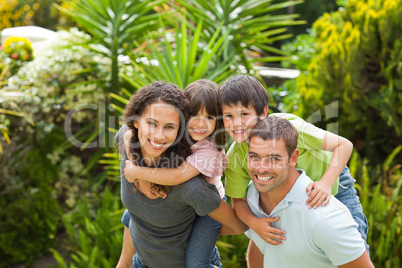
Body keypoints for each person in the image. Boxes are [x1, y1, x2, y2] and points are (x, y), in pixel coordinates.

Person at [218, 75, 369, 261]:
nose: (236, 123)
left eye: (244, 114)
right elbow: (238, 202)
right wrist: (254, 223)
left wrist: (326, 183)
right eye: (228, 116)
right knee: (271, 241)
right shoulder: (235, 156)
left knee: (354, 244)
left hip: (334, 181)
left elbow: (344, 145)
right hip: (289, 196)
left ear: (263, 112)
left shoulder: (289, 129)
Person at [115, 81, 247, 268]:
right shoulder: (135, 143)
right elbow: (125, 134)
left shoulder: (194, 180)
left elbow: (178, 177)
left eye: (209, 117)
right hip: (141, 263)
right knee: (132, 214)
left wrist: (137, 173)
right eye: (152, 123)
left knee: (197, 264)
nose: (159, 135)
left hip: (208, 203)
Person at [244, 116, 373, 267]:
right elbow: (260, 245)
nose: (261, 168)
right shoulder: (252, 196)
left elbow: (344, 145)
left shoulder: (325, 219)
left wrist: (327, 182)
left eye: (274, 158)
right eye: (254, 157)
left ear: (293, 158)